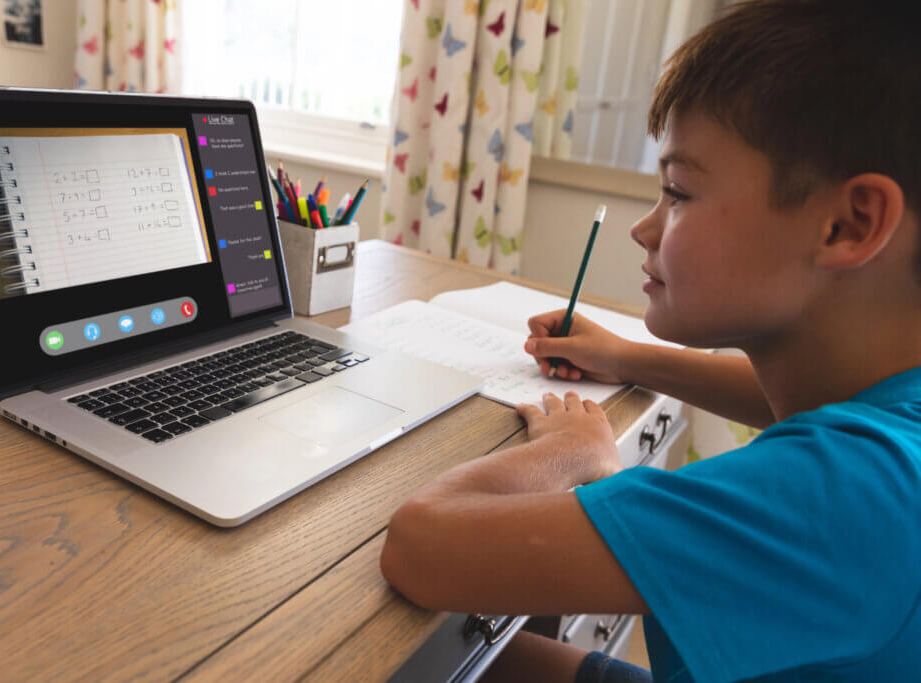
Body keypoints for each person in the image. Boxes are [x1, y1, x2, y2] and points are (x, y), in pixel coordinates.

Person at [379, 0, 921, 680]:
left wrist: (575, 454)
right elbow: (776, 398)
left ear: (849, 224)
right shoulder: (892, 421)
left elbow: (420, 544)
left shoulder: (847, 493)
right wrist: (625, 356)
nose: (645, 228)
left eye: (679, 191)